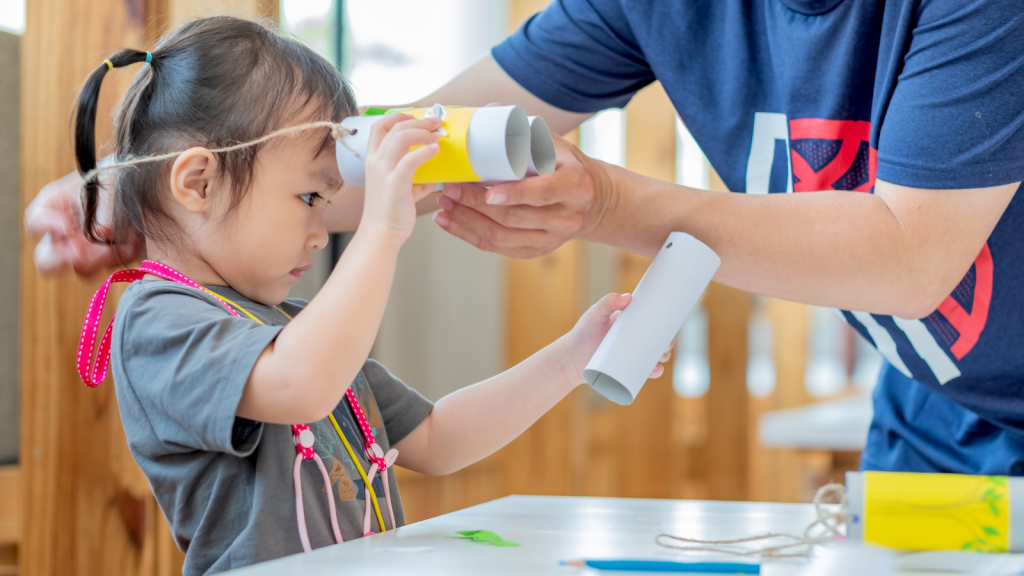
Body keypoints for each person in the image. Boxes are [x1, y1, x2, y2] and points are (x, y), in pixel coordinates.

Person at [26, 1, 1024, 476]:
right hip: (931, 407)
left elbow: (910, 255)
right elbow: (404, 152)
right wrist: (145, 200)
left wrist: (611, 212)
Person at [67, 17, 669, 576]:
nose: (320, 229)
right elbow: (299, 386)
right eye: (309, 198)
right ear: (198, 182)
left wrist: (571, 357)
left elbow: (437, 439)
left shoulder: (294, 330)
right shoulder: (155, 320)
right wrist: (382, 226)